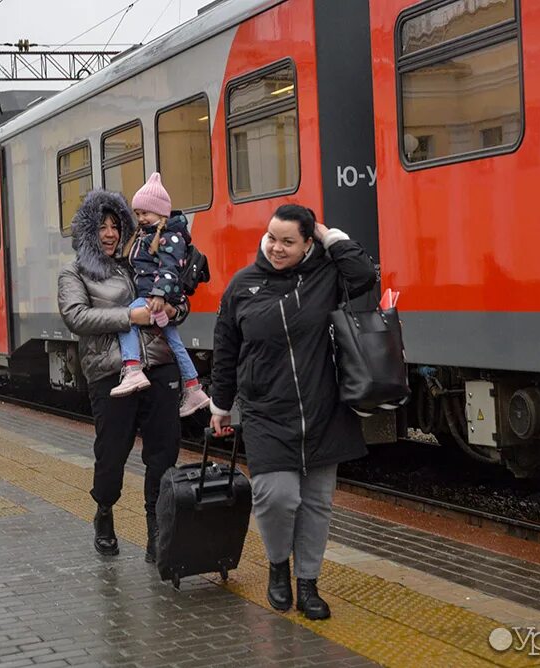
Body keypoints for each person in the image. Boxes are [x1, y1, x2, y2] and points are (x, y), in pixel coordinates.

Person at [210, 204, 376, 620]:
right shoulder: (243, 285)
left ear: (307, 245)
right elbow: (226, 348)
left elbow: (364, 274)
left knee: (317, 503)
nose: (276, 248)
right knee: (277, 497)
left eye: (288, 241)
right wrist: (221, 404)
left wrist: (326, 232)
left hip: (323, 409)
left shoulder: (325, 277)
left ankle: (309, 584)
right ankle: (277, 565)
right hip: (266, 411)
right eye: (271, 238)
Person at [58, 189, 186, 562]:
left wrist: (175, 310)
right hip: (111, 373)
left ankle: (156, 531)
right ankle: (105, 511)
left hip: (159, 365)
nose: (111, 233)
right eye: (102, 226)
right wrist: (130, 317)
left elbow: (174, 293)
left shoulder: (140, 258)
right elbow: (76, 317)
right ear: (88, 231)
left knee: (164, 452)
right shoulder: (74, 272)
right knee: (112, 454)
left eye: (116, 225)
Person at [109, 172, 211, 417]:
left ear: (162, 213)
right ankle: (194, 387)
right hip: (157, 297)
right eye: (138, 213)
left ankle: (133, 368)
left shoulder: (169, 237)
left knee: (128, 319)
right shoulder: (150, 234)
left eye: (146, 213)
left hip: (153, 297)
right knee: (175, 343)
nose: (141, 218)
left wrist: (159, 295)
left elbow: (169, 268)